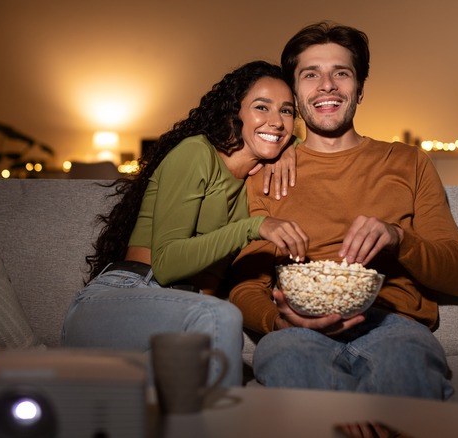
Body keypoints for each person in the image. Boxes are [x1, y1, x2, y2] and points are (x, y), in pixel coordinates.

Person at [227, 22, 458, 399]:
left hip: (394, 326)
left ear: (359, 90)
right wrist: (278, 323)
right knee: (289, 369)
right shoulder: (265, 174)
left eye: (340, 73)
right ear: (295, 92)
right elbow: (246, 285)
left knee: (409, 378)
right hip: (298, 331)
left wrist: (398, 238)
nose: (326, 85)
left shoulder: (408, 162)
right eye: (311, 74)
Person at [61, 60, 309, 387]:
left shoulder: (257, 178)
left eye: (287, 112)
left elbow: (309, 146)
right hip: (122, 298)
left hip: (180, 315)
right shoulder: (196, 154)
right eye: (262, 107)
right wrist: (255, 226)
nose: (276, 121)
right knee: (219, 316)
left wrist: (292, 146)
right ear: (233, 112)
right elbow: (165, 265)